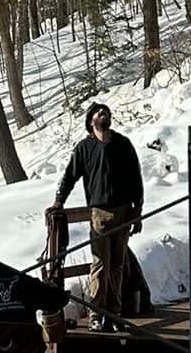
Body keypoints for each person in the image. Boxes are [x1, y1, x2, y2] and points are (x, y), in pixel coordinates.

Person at [47, 101, 144, 322]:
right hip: (99, 213)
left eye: (106, 111)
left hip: (124, 212)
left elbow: (135, 178)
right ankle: (96, 314)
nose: (104, 114)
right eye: (99, 112)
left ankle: (114, 312)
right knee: (100, 264)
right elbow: (70, 176)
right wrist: (58, 201)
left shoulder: (123, 144)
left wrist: (137, 209)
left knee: (117, 266)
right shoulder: (85, 148)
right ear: (91, 121)